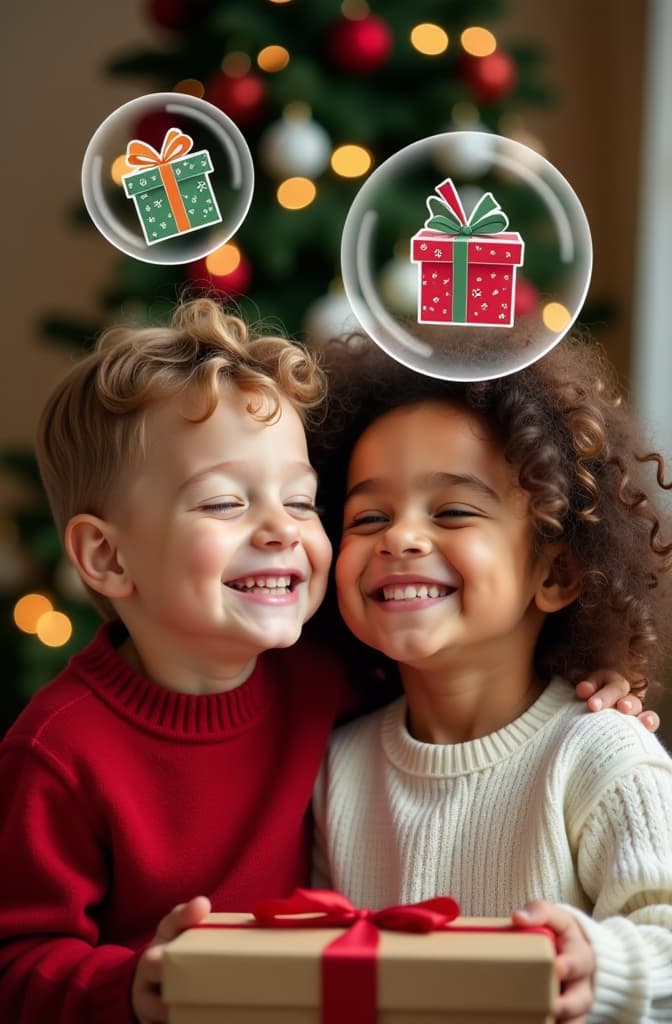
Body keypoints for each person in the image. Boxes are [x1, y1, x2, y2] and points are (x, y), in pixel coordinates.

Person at [0, 299, 654, 1024]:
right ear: (107, 556)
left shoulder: (335, 685)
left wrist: (598, 685)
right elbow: (15, 961)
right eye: (223, 503)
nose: (281, 528)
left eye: (304, 502)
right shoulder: (61, 751)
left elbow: (467, 665)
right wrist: (127, 988)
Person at [311, 333, 672, 1023]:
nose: (400, 538)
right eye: (369, 517)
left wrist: (603, 966)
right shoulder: (338, 767)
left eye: (451, 511)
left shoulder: (602, 756)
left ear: (557, 573)